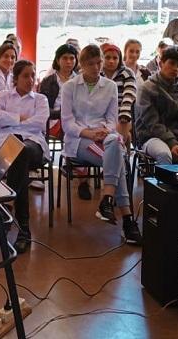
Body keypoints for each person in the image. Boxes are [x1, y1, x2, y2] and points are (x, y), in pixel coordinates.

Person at [60, 45, 142, 244]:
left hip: (104, 137)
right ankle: (127, 220)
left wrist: (104, 130)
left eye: (99, 63)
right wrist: (89, 133)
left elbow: (112, 118)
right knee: (119, 159)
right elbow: (67, 122)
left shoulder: (110, 86)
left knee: (115, 142)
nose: (96, 68)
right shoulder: (70, 86)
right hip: (78, 140)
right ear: (82, 65)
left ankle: (107, 199)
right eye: (91, 64)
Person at [0, 60, 50, 253]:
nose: (30, 80)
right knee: (18, 153)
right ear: (15, 78)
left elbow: (39, 124)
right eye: (25, 75)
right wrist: (20, 119)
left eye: (33, 75)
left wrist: (11, 121)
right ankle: (24, 230)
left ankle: (7, 204)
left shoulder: (40, 99)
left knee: (21, 149)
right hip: (6, 145)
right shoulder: (3, 96)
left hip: (34, 145)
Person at [39, 43, 79, 140]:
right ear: (57, 60)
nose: (69, 62)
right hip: (54, 120)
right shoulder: (48, 81)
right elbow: (43, 108)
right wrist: (62, 114)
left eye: (72, 58)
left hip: (77, 120)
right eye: (65, 58)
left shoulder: (80, 80)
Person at [101, 43, 138, 145]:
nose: (111, 61)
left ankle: (121, 155)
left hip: (122, 113)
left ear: (120, 59)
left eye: (115, 58)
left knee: (119, 137)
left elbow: (129, 95)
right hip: (101, 114)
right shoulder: (98, 74)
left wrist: (124, 115)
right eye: (107, 57)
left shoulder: (127, 73)